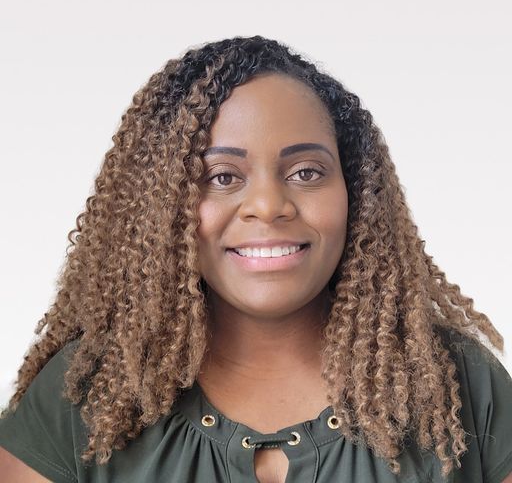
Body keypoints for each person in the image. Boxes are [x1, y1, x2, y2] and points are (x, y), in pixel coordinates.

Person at [0, 35, 511, 483]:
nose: (268, 206)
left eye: (306, 172)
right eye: (222, 177)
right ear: (161, 208)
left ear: (356, 193)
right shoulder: (82, 395)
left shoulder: (463, 385)